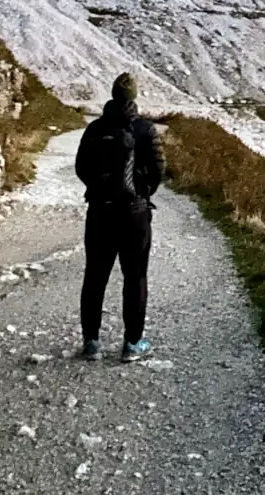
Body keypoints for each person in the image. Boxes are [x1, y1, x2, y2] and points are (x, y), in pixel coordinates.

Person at [74, 71, 165, 361]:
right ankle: (132, 344)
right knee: (135, 277)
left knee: (95, 277)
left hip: (100, 212)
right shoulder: (146, 130)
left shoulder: (95, 128)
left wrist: (97, 189)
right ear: (134, 97)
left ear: (113, 96)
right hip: (134, 214)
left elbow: (80, 167)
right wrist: (145, 191)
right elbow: (158, 168)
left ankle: (91, 343)